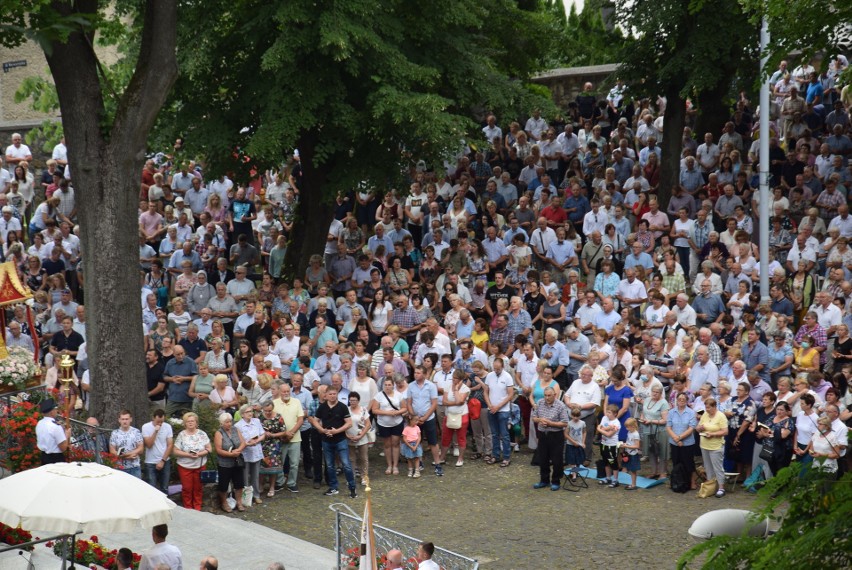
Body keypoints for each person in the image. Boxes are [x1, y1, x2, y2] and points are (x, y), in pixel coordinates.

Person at [312, 386, 358, 498]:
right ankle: (333, 487)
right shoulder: (322, 407)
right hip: (326, 440)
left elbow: (349, 423)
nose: (333, 396)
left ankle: (352, 488)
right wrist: (322, 430)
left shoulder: (342, 407)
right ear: (326, 395)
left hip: (340, 440)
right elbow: (315, 420)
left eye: (334, 394)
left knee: (346, 465)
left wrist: (336, 431)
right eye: (330, 394)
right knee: (330, 465)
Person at [531, 386, 569, 491]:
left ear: (554, 395)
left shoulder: (560, 406)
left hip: (556, 435)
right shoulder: (539, 403)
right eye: (545, 395)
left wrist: (550, 423)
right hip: (543, 434)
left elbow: (565, 422)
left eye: (549, 396)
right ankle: (544, 480)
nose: (547, 398)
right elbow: (534, 417)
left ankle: (556, 481)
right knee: (543, 458)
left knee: (557, 459)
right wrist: (540, 420)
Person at [172, 411, 211, 510]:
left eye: (192, 421)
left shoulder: (202, 434)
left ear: (196, 422)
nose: (190, 423)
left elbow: (209, 449)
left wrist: (199, 454)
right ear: (185, 423)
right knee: (187, 489)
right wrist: (188, 455)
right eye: (188, 421)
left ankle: (197, 508)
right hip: (185, 466)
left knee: (198, 488)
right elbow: (175, 451)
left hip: (199, 465)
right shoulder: (181, 435)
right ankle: (188, 509)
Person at [483, 357, 515, 467]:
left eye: (498, 369)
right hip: (491, 408)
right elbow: (486, 392)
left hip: (503, 410)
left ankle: (506, 457)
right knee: (494, 434)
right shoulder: (489, 376)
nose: (496, 370)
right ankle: (495, 455)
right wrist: (489, 405)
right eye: (494, 368)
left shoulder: (507, 377)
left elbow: (510, 394)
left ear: (502, 367)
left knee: (504, 434)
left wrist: (498, 406)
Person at [372, 377, 407, 475]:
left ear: (393, 385)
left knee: (395, 443)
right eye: (385, 385)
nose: (387, 387)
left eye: (389, 385)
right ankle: (389, 465)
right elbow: (374, 410)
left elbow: (404, 408)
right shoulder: (378, 396)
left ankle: (395, 465)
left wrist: (397, 412)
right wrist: (387, 413)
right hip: (383, 423)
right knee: (387, 444)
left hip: (397, 422)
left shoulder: (399, 395)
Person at [213, 411, 247, 512]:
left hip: (237, 461)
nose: (229, 424)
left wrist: (238, 450)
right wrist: (230, 454)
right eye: (226, 422)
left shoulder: (236, 430)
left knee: (239, 483)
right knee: (223, 484)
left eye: (230, 421)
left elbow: (243, 442)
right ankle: (224, 503)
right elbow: (218, 450)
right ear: (221, 423)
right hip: (225, 463)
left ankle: (239, 502)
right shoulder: (219, 433)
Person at [696, 398, 729, 497]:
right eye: (706, 407)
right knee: (708, 467)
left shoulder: (721, 416)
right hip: (704, 445)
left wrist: (713, 434)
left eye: (709, 408)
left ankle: (721, 487)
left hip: (716, 446)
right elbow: (698, 427)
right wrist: (699, 428)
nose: (707, 410)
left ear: (714, 407)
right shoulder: (705, 415)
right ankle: (711, 486)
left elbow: (725, 431)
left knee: (717, 467)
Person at [667, 392, 699, 490]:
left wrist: (680, 438)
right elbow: (668, 427)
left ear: (686, 401)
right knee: (676, 462)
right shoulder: (671, 412)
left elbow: (691, 428)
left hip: (687, 442)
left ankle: (692, 482)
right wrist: (676, 439)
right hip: (674, 442)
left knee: (689, 463)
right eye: (679, 399)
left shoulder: (691, 412)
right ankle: (676, 480)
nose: (681, 400)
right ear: (676, 400)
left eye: (683, 399)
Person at [236, 404, 265, 503]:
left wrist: (256, 441)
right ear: (242, 414)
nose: (250, 413)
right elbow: (239, 440)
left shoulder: (256, 421)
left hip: (256, 451)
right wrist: (247, 443)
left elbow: (263, 434)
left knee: (255, 475)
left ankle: (256, 495)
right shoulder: (238, 425)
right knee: (245, 476)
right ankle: (246, 497)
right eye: (248, 412)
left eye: (251, 411)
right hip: (245, 453)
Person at [141, 409, 174, 494]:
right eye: (158, 422)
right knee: (152, 488)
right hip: (150, 462)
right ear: (153, 418)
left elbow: (170, 445)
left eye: (161, 422)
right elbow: (149, 445)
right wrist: (155, 431)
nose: (160, 424)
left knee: (164, 488)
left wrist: (163, 460)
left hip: (164, 461)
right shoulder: (146, 427)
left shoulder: (167, 427)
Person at [109, 410, 144, 478]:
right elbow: (112, 451)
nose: (125, 421)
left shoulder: (136, 432)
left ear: (130, 419)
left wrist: (125, 455)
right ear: (119, 420)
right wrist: (128, 456)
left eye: (127, 419)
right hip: (120, 468)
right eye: (123, 419)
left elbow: (141, 449)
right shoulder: (115, 433)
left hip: (134, 467)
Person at [36, 398, 71, 464]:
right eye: (55, 409)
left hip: (44, 457)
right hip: (56, 459)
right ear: (52, 412)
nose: (57, 411)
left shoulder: (39, 423)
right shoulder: (55, 427)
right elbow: (63, 448)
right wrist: (67, 435)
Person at [597, 404, 621, 487]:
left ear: (615, 414)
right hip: (604, 444)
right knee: (605, 461)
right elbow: (602, 426)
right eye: (607, 412)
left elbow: (609, 434)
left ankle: (615, 479)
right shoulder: (604, 418)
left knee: (613, 462)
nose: (607, 414)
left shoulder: (616, 423)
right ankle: (608, 478)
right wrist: (605, 428)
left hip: (612, 445)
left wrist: (600, 429)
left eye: (609, 412)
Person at [621, 418, 641, 490]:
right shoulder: (629, 432)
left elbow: (637, 446)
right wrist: (625, 444)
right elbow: (629, 441)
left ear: (633, 426)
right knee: (630, 469)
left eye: (627, 427)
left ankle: (633, 484)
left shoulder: (636, 434)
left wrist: (627, 446)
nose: (626, 428)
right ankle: (632, 483)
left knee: (633, 470)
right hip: (628, 452)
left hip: (633, 454)